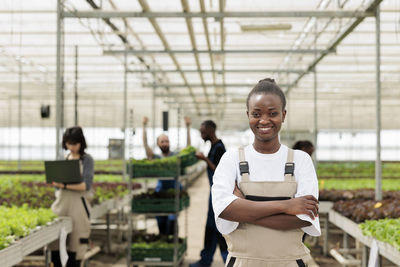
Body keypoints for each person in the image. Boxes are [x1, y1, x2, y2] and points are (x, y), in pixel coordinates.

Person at [212, 78, 320, 267]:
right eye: (256, 114)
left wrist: (245, 207)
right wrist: (287, 206)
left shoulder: (301, 160)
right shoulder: (231, 159)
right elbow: (225, 211)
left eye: (272, 113)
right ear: (248, 115)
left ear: (283, 115)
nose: (264, 120)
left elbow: (303, 219)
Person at [50, 126, 94, 267]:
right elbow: (56, 186)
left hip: (79, 206)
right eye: (69, 144)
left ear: (81, 143)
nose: (72, 147)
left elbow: (85, 186)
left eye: (74, 144)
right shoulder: (62, 158)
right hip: (61, 204)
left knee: (78, 241)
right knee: (55, 241)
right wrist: (58, 184)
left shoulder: (87, 160)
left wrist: (65, 185)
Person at [142, 116, 191, 235]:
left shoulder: (175, 156)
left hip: (174, 192)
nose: (165, 144)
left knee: (172, 222)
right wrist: (144, 127)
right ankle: (165, 242)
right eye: (162, 141)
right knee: (161, 223)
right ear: (158, 144)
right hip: (161, 193)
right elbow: (146, 146)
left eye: (167, 141)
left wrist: (188, 127)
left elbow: (188, 148)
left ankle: (172, 244)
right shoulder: (157, 158)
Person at [190, 120, 228, 267]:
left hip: (219, 193)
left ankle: (227, 259)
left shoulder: (219, 148)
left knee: (218, 228)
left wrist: (205, 159)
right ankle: (205, 260)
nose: (201, 134)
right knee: (211, 228)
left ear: (211, 130)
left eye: (203, 132)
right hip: (213, 191)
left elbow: (218, 170)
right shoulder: (213, 146)